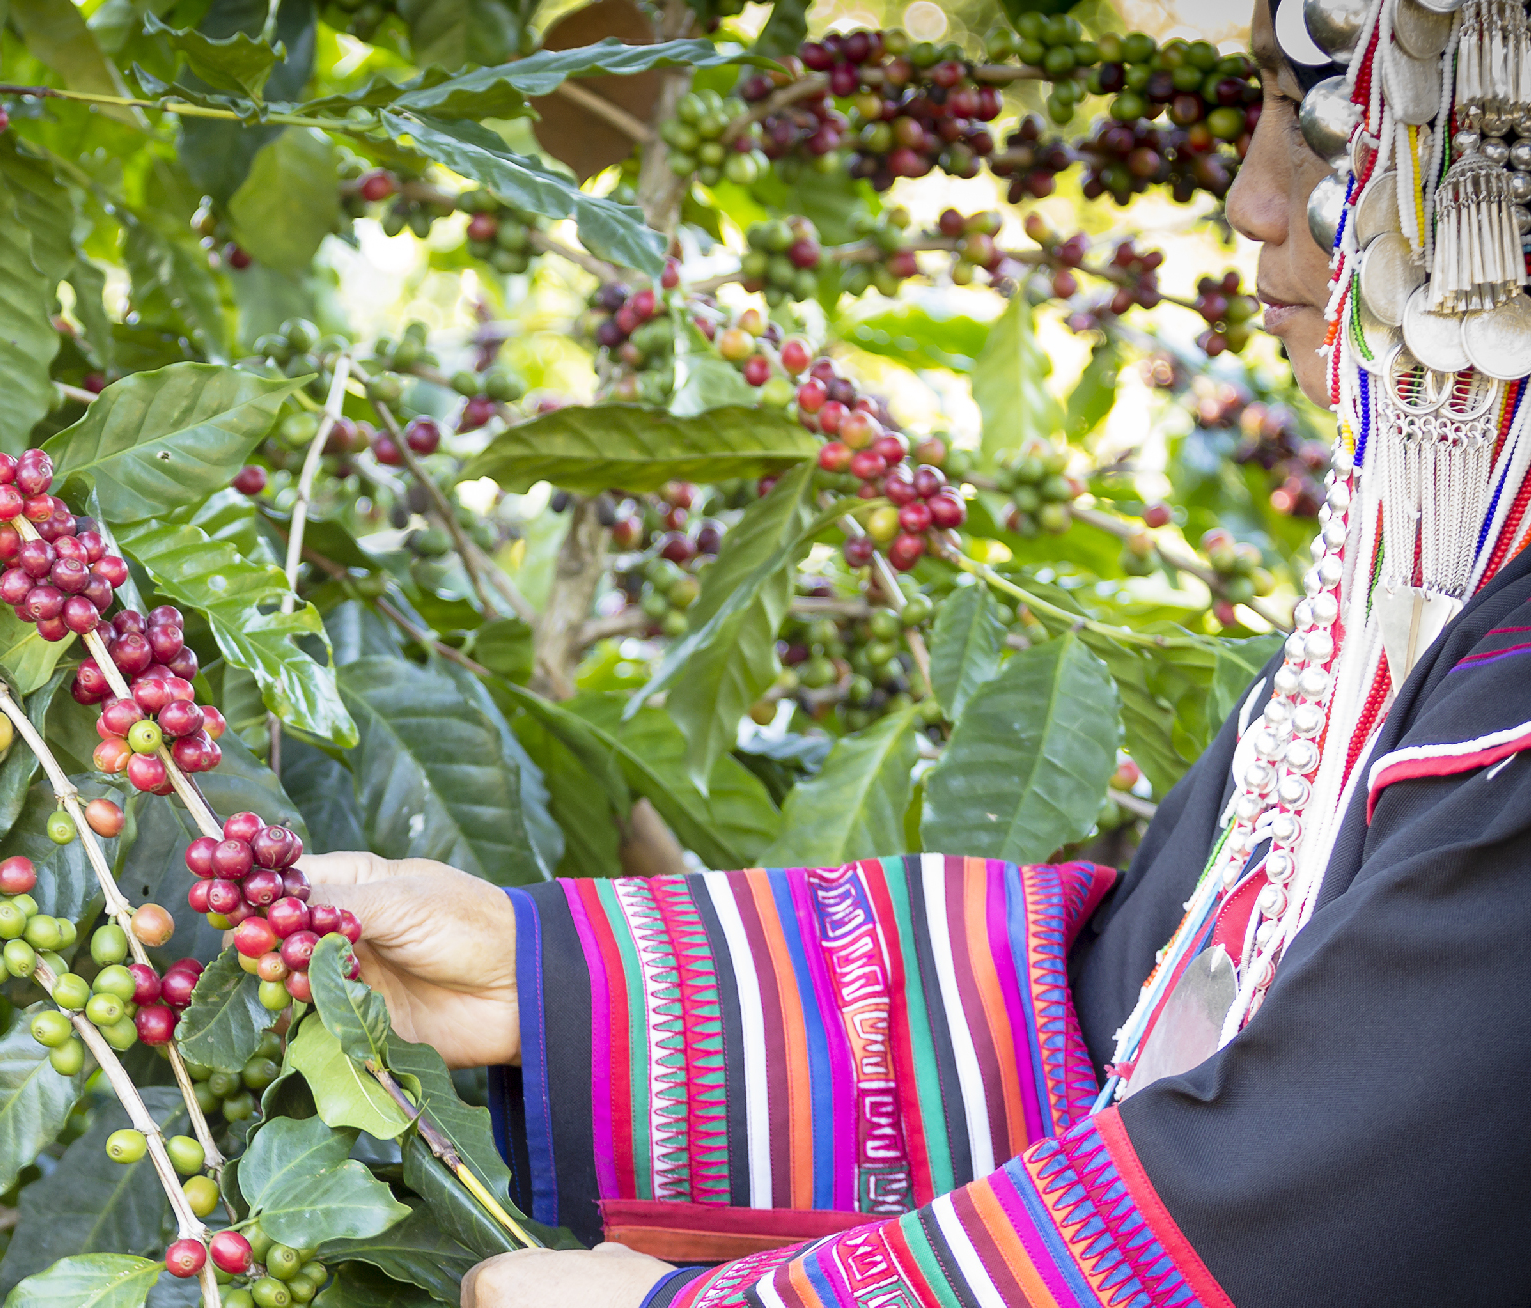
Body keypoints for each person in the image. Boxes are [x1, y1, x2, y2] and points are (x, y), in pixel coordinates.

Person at [304, 0, 1531, 1302]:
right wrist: (551, 985)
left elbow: (1298, 1217)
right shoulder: (1415, 628)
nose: (1246, 201)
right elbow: (1110, 1019)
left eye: (1313, 120)